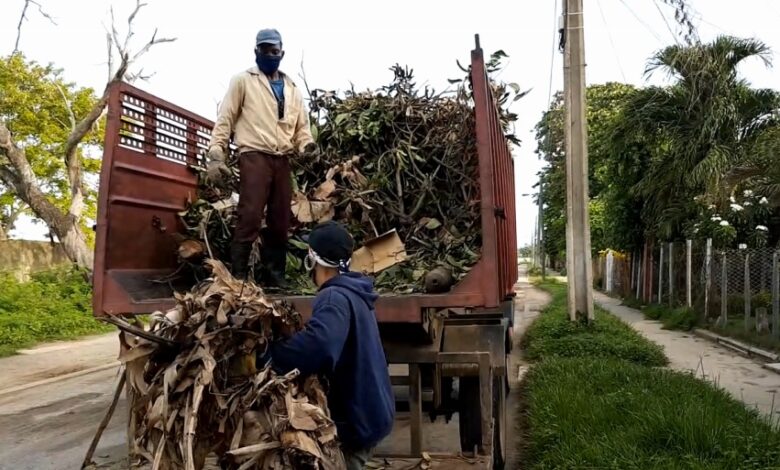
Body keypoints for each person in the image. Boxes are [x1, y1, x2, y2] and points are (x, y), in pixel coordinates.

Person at [268, 221, 395, 469]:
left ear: (314, 260)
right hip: (371, 415)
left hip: (356, 422)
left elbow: (319, 347)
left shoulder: (333, 296)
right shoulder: (353, 292)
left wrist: (270, 354)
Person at [206, 27, 316, 287]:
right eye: (264, 50)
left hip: (282, 159)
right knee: (251, 215)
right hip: (254, 156)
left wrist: (308, 145)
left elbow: (301, 128)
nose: (269, 54)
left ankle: (275, 277)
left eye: (274, 50)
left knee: (280, 221)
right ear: (256, 51)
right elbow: (226, 119)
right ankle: (240, 276)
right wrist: (216, 153)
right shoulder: (243, 80)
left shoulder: (292, 89)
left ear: (282, 53)